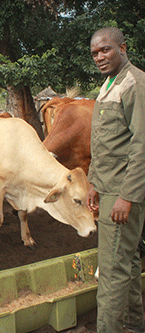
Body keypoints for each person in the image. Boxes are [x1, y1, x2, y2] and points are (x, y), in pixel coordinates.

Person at [87, 27, 145, 333]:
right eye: (95, 53)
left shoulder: (135, 83)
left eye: (106, 50)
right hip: (108, 186)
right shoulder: (110, 83)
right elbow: (106, 142)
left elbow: (142, 145)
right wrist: (94, 181)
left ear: (122, 48)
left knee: (110, 270)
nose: (99, 57)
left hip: (123, 192)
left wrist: (127, 196)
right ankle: (135, 323)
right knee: (129, 261)